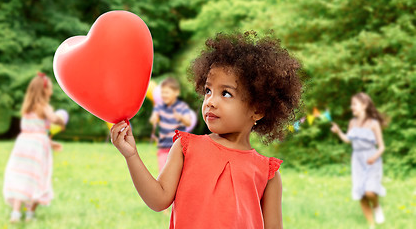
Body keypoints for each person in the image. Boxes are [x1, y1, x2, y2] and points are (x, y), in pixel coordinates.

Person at [111, 31, 302, 228]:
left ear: (258, 109)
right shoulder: (186, 148)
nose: (210, 101)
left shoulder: (267, 173)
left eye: (226, 93)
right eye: (208, 91)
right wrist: (131, 155)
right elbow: (158, 200)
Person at [3, 72, 64, 223]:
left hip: (23, 146)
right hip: (37, 149)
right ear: (44, 90)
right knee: (39, 177)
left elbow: (34, 130)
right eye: (50, 88)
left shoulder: (27, 109)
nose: (51, 90)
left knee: (22, 176)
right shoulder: (43, 107)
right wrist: (61, 120)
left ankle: (16, 213)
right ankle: (30, 214)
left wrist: (51, 143)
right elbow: (52, 119)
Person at [331, 92, 386, 228]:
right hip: (357, 161)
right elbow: (348, 140)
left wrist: (374, 157)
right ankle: (371, 225)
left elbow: (381, 147)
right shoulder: (352, 123)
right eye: (352, 104)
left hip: (371, 159)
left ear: (365, 105)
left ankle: (377, 206)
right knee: (361, 193)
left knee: (370, 191)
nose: (352, 107)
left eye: (355, 104)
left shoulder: (373, 124)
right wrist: (338, 132)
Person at [149, 77, 192, 173]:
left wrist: (180, 117)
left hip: (178, 149)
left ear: (176, 93)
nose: (164, 95)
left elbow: (188, 122)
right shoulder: (160, 106)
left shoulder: (181, 107)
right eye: (162, 92)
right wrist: (154, 118)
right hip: (163, 147)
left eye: (167, 92)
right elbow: (153, 119)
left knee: (178, 173)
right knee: (163, 172)